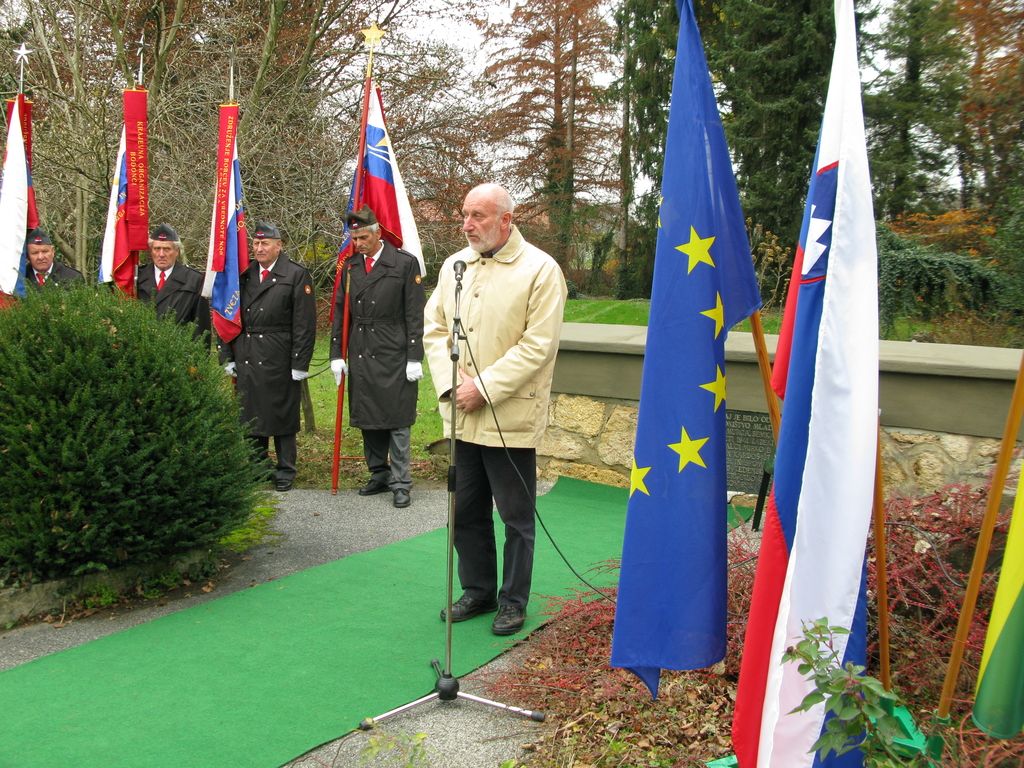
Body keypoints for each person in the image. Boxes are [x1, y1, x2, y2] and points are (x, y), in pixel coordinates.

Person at [423, 183, 567, 636]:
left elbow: (538, 346)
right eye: (465, 214)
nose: (467, 224)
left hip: (509, 417)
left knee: (515, 517)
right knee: (465, 510)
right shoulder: (454, 267)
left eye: (479, 215)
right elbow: (435, 329)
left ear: (507, 219)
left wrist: (483, 388)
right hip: (462, 416)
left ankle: (513, 600)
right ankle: (479, 591)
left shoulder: (541, 270)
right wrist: (453, 387)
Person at [330, 206, 425, 509]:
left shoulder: (404, 263)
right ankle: (379, 474)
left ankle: (400, 481)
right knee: (369, 417)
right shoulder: (350, 267)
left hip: (393, 348)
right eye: (354, 238)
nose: (358, 244)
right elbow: (340, 312)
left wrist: (414, 356)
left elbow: (414, 313)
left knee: (397, 419)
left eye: (362, 238)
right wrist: (336, 354)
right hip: (361, 348)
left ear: (377, 233)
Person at [218, 222, 316, 492]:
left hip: (279, 354)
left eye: (265, 244)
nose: (259, 248)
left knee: (282, 415)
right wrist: (227, 354)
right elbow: (226, 316)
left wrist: (300, 362)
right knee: (252, 414)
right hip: (247, 351)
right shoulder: (243, 274)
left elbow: (304, 324)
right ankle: (257, 466)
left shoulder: (295, 275)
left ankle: (286, 469)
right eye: (256, 244)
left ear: (278, 245)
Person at [136, 223, 211, 340]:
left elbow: (201, 329)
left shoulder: (194, 280)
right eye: (157, 249)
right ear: (151, 251)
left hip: (178, 351)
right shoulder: (137, 278)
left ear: (177, 251)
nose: (161, 254)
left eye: (166, 249)